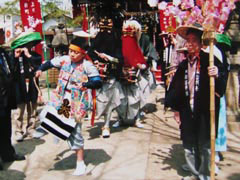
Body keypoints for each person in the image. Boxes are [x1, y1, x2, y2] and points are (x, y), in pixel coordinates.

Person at [165, 23, 227, 180]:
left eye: (193, 40)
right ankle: (195, 173)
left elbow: (222, 84)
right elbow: (175, 88)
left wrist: (217, 74)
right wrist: (175, 108)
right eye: (188, 40)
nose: (190, 43)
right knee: (189, 145)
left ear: (201, 43)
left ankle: (205, 174)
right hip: (187, 110)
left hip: (205, 110)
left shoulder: (210, 61)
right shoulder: (184, 65)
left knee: (205, 145)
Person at [35, 37, 102, 176]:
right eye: (71, 51)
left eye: (75, 52)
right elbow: (49, 63)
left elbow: (97, 82)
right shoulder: (64, 59)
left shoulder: (87, 65)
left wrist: (85, 84)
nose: (72, 54)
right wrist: (40, 69)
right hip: (60, 97)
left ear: (83, 53)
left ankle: (80, 163)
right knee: (45, 114)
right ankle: (45, 128)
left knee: (74, 131)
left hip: (77, 102)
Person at [0, 27, 25, 170]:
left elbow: (11, 72)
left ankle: (8, 153)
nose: (3, 35)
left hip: (6, 97)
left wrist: (14, 58)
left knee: (5, 127)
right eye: (1, 33)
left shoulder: (3, 52)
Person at [11, 31, 42, 141]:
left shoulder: (36, 56)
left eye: (30, 44)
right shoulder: (14, 55)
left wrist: (28, 55)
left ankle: (31, 128)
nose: (27, 46)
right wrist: (15, 57)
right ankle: (18, 131)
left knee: (32, 109)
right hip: (20, 86)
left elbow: (38, 66)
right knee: (19, 111)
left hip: (32, 85)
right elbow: (11, 70)